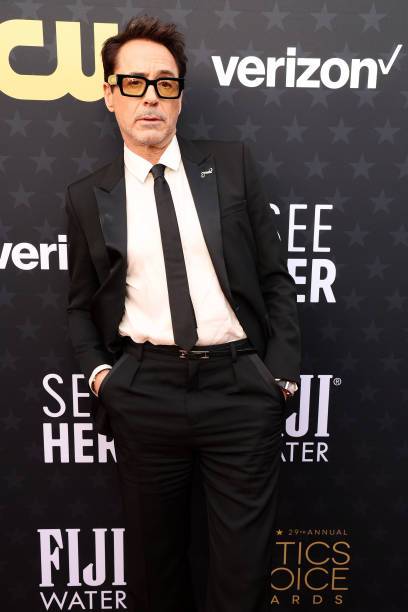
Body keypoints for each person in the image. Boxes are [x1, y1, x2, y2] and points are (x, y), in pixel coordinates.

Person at [65, 14, 301, 612]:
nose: (150, 96)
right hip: (145, 393)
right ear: (110, 94)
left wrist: (278, 377)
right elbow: (79, 305)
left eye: (165, 83)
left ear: (180, 98)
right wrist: (103, 378)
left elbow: (275, 278)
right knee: (155, 574)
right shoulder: (87, 196)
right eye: (134, 82)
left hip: (240, 389)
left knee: (242, 580)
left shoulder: (231, 166)